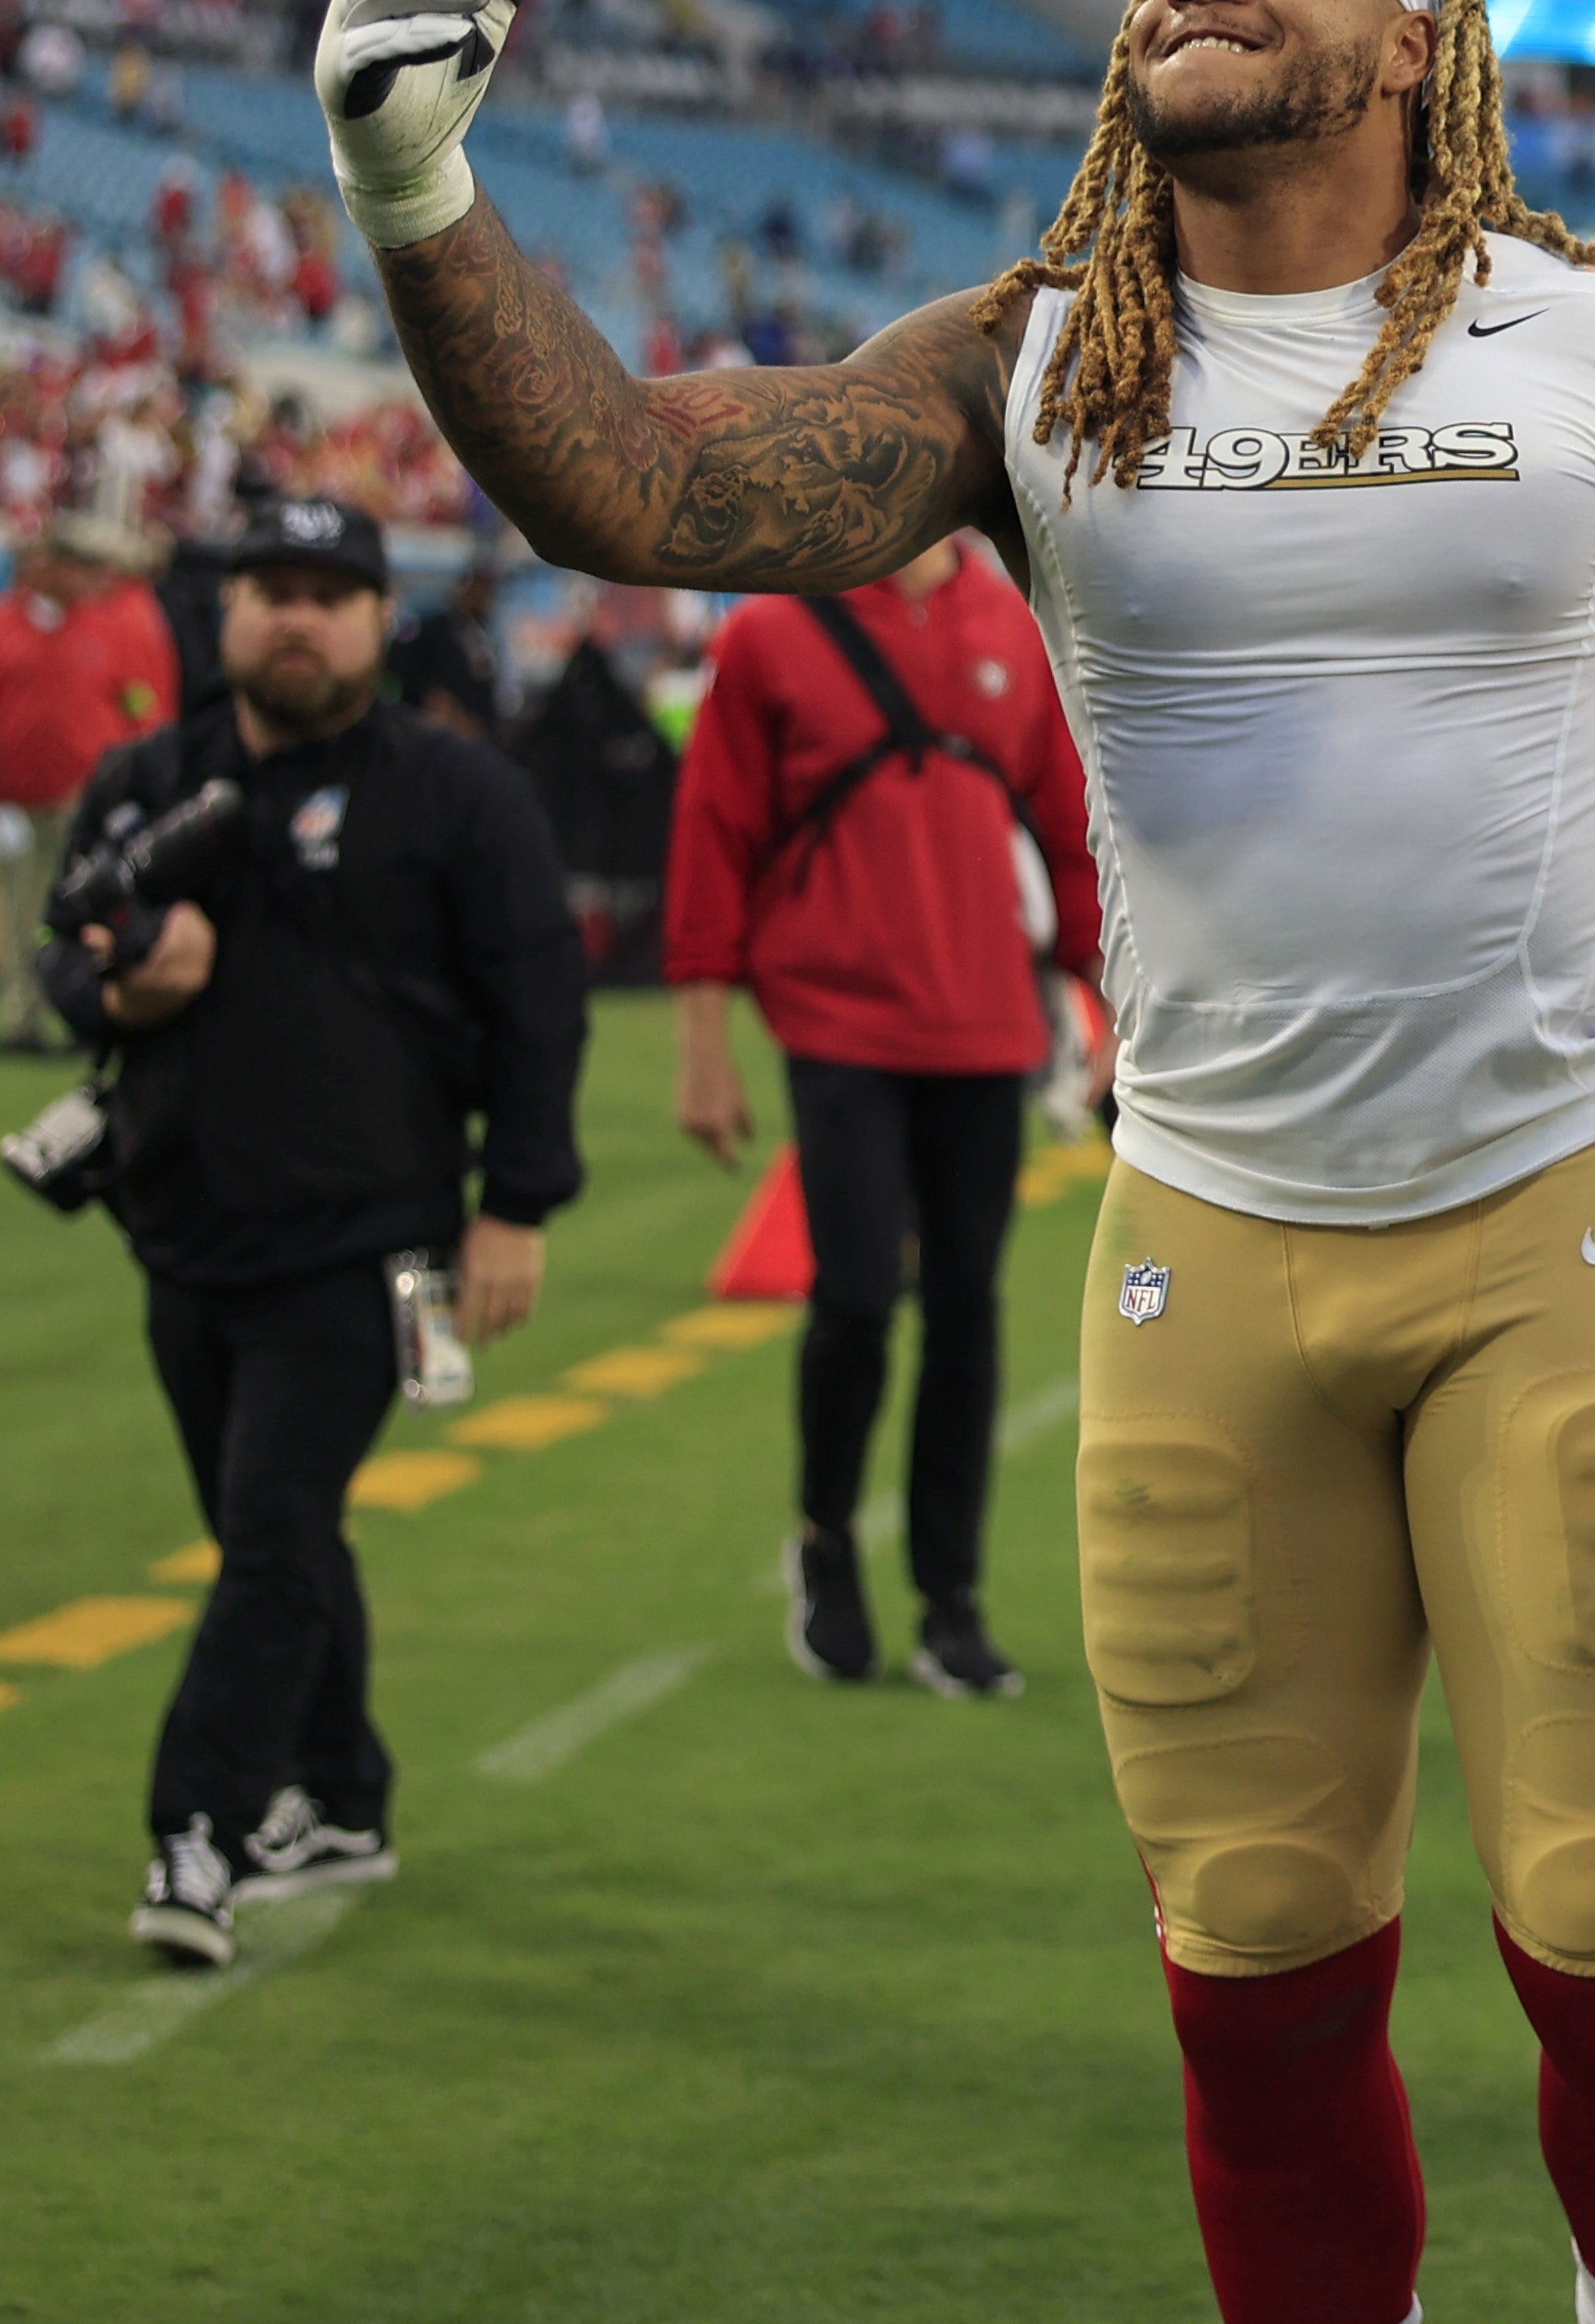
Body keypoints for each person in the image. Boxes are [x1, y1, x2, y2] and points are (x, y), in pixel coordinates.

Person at [311, 0, 1595, 2324]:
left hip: (1554, 1204)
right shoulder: (1030, 357)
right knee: (1248, 1971)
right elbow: (649, 484)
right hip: (1212, 1238)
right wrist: (422, 193)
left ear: (1415, 38)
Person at [33, 492, 586, 1968]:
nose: (297, 614)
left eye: (328, 591)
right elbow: (64, 961)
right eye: (269, 588)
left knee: (270, 1534)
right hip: (185, 1229)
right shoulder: (151, 778)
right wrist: (127, 989)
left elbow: (539, 1001)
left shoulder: (458, 794)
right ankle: (343, 1794)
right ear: (224, 613)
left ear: (371, 618)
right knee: (268, 1527)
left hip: (376, 1240)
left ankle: (196, 1831)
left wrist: (517, 1204)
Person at [662, 532, 1105, 1699]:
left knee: (968, 1313)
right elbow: (714, 833)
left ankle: (950, 1601)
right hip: (835, 1022)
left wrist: (1110, 1004)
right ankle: (826, 1545)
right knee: (856, 1300)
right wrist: (704, 1049)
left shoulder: (1009, 623)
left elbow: (1070, 828)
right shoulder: (769, 631)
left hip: (985, 1023)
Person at [0, 510, 175, 1048]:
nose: (89, 576)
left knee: (72, 910)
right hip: (13, 801)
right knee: (13, 912)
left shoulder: (108, 627)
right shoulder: (7, 624)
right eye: (77, 563)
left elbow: (140, 703)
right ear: (45, 562)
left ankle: (61, 1011)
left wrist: (136, 773)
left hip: (82, 797)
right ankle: (15, 1013)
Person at [388, 545, 508, 736]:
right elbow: (402, 661)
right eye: (479, 587)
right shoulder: (434, 628)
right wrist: (432, 696)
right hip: (434, 731)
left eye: (488, 588)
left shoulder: (484, 632)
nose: (484, 596)